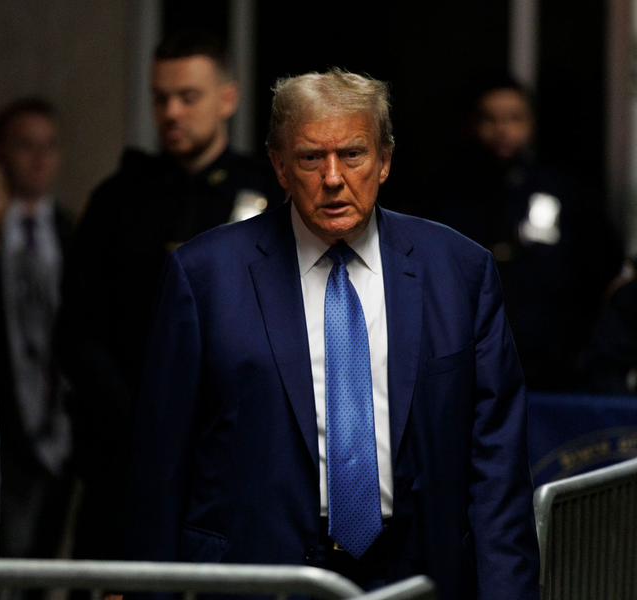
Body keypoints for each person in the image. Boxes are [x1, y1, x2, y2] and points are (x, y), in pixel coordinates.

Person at [126, 68, 540, 600]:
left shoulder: (458, 271)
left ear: (385, 161)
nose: (332, 177)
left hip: (418, 573)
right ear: (278, 165)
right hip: (259, 574)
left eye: (353, 154)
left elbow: (498, 470)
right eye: (309, 157)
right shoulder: (204, 276)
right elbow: (161, 465)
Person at [57, 30, 283, 562]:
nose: (172, 112)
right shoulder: (118, 197)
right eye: (161, 98)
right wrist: (138, 420)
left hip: (234, 448)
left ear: (227, 99)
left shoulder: (267, 195)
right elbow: (77, 326)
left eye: (189, 96)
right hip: (127, 443)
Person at [435, 74, 622, 390]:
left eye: (514, 118)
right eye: (490, 119)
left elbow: (601, 276)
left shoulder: (566, 194)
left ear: (531, 124)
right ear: (470, 125)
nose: (503, 130)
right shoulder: (448, 200)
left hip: (554, 374)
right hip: (467, 370)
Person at [0, 99, 74, 561]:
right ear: (0, 149)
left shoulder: (71, 232)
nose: (40, 159)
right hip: (0, 433)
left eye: (49, 146)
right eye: (26, 146)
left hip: (61, 430)